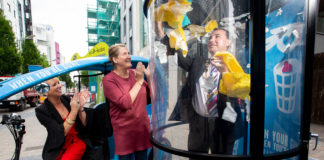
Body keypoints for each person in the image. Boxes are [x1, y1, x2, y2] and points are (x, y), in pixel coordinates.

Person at [169, 28, 248, 155]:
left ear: (228, 42)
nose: (212, 40)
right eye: (210, 38)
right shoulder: (199, 62)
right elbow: (180, 55)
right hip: (199, 123)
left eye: (217, 36)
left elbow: (241, 90)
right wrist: (163, 36)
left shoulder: (235, 65)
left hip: (223, 124)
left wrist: (226, 72)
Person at [102, 44, 152, 160]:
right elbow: (125, 103)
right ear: (115, 59)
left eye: (128, 53)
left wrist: (148, 77)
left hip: (142, 129)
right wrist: (139, 81)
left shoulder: (135, 73)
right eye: (124, 54)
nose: (129, 56)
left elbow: (152, 96)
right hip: (124, 133)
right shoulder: (109, 80)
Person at [35, 77, 90, 160]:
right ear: (45, 92)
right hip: (57, 146)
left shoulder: (68, 100)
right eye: (54, 85)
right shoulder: (42, 111)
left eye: (58, 83)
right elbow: (60, 133)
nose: (59, 86)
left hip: (76, 141)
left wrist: (80, 108)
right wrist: (74, 110)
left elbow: (85, 123)